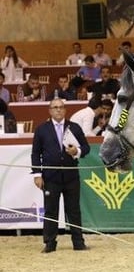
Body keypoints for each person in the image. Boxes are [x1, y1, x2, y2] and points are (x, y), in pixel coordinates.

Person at [31, 99, 91, 253]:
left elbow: (86, 148)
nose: (58, 110)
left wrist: (76, 152)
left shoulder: (75, 128)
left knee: (74, 210)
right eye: (55, 107)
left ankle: (78, 242)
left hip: (71, 176)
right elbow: (36, 153)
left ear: (65, 110)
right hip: (51, 177)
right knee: (51, 210)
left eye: (61, 107)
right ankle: (50, 243)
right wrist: (37, 175)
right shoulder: (41, 130)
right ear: (50, 110)